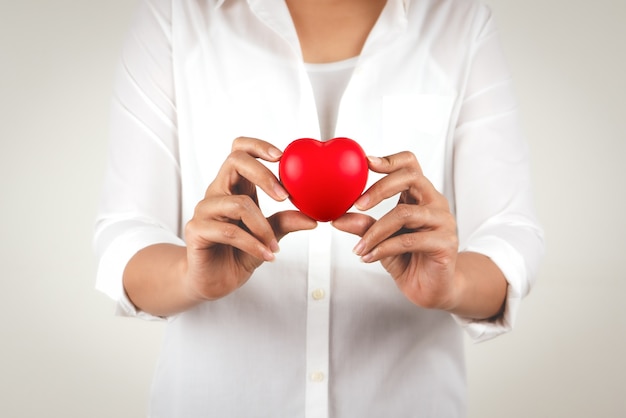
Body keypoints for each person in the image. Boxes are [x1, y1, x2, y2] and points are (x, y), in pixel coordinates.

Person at [94, 0, 544, 416]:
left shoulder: (456, 19)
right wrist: (188, 277)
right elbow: (126, 232)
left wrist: (454, 284)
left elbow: (510, 232)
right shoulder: (179, 14)